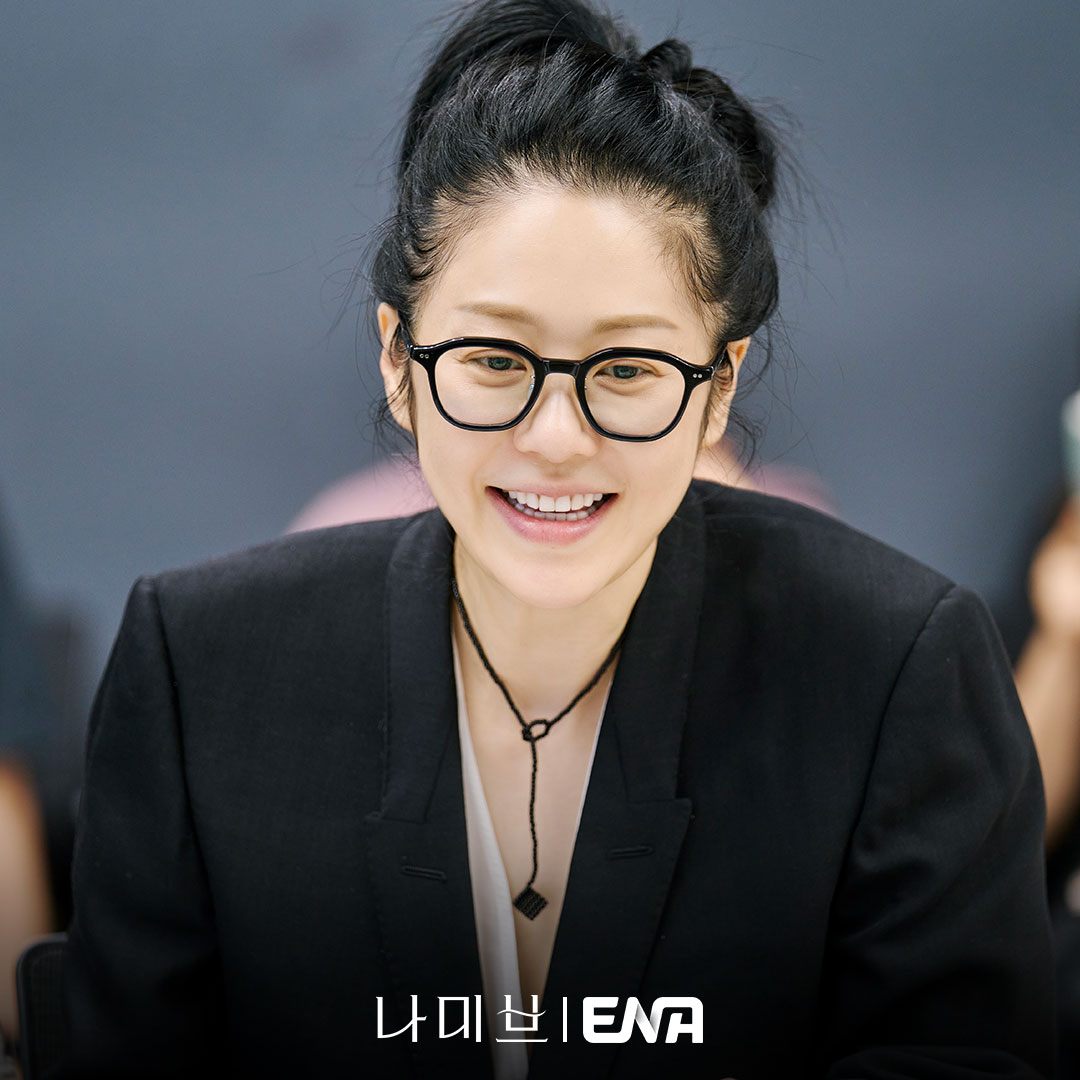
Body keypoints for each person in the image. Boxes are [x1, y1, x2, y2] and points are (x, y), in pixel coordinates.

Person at [58, 1, 1054, 1077]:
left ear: (718, 388)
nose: (556, 437)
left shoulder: (893, 670)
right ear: (397, 359)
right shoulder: (203, 668)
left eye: (627, 370)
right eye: (495, 360)